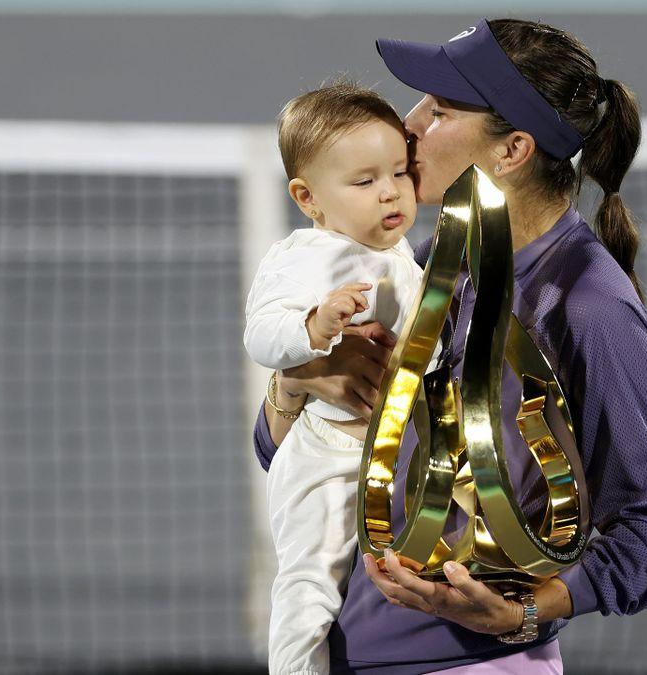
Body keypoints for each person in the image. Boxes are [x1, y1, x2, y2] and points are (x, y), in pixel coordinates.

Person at [253, 18, 647, 674]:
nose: (407, 125)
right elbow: (280, 453)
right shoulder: (431, 262)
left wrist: (525, 612)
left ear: (512, 149)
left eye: (439, 110)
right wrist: (294, 387)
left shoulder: (587, 302)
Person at [246, 81, 442, 674]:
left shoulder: (405, 253)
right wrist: (312, 330)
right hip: (327, 453)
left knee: (367, 587)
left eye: (401, 174)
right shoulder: (306, 256)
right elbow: (260, 334)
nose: (391, 192)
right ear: (308, 199)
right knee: (310, 585)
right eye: (364, 182)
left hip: (392, 453)